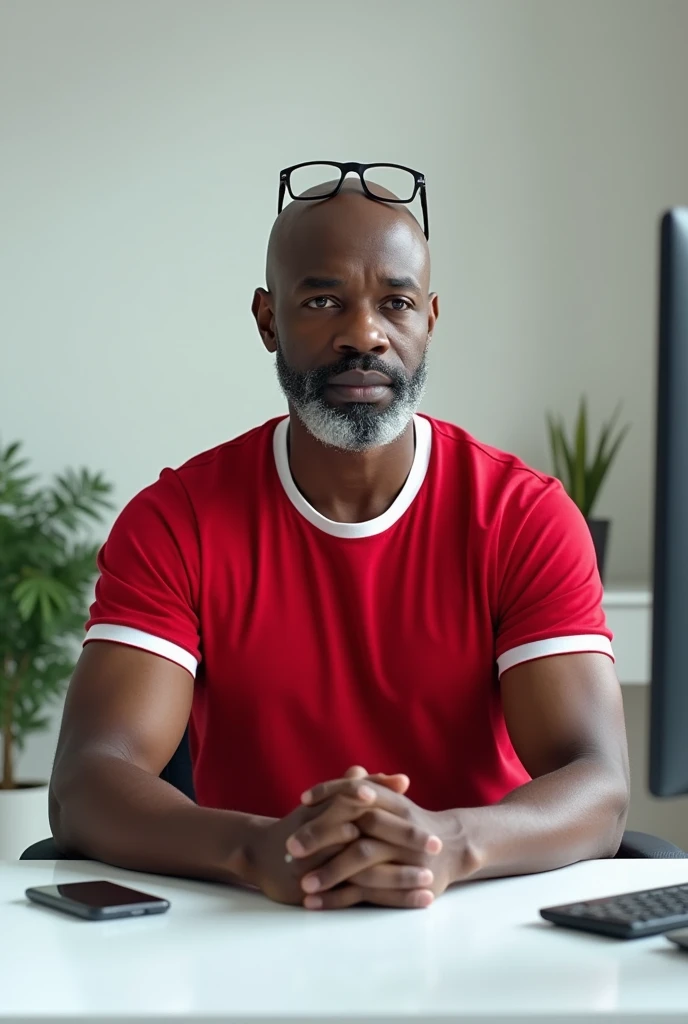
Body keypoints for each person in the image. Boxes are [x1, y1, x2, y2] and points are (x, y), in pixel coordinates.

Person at [50, 164, 630, 911]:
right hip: (248, 919)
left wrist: (445, 844)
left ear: (430, 320)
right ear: (268, 320)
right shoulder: (179, 519)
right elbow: (88, 780)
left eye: (397, 303)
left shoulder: (524, 516)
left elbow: (599, 783)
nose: (365, 334)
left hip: (480, 916)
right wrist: (258, 849)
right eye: (323, 300)